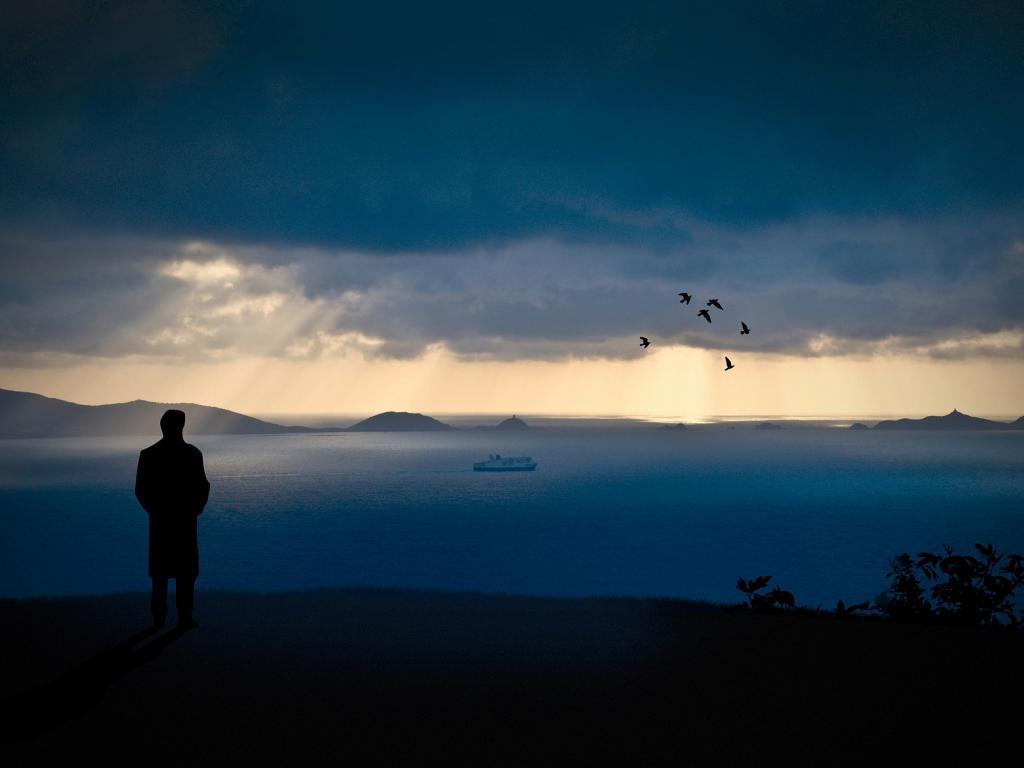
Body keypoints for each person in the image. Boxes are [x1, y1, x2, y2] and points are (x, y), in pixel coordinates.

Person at [134, 409, 210, 630]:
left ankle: (164, 620)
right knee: (179, 575)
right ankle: (178, 619)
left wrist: (156, 511)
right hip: (181, 522)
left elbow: (141, 491)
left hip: (163, 523)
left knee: (164, 576)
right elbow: (203, 486)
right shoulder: (192, 454)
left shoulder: (149, 455)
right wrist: (195, 508)